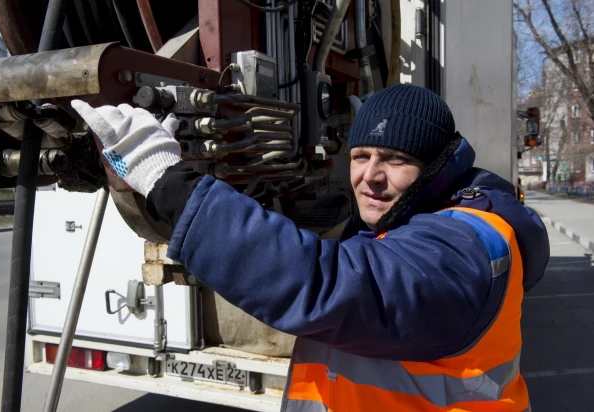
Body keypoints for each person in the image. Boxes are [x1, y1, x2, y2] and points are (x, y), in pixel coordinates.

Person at [71, 84, 550, 411]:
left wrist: (168, 180)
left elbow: (328, 284)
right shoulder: (399, 227)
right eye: (362, 157)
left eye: (396, 160)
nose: (371, 177)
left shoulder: (468, 244)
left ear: (435, 167)